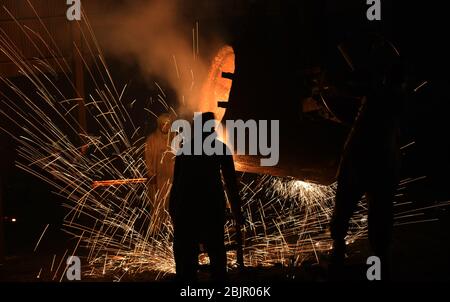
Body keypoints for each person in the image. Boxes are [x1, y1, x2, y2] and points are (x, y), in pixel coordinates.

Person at [329, 33, 404, 280]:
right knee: (371, 220)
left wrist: (337, 86)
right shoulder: (383, 91)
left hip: (365, 162)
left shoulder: (386, 92)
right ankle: (376, 267)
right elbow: (361, 110)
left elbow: (359, 91)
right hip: (380, 163)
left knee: (350, 216)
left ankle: (344, 263)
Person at [169, 112, 243, 282]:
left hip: (186, 209)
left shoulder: (184, 149)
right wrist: (237, 212)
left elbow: (176, 183)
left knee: (187, 259)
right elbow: (231, 184)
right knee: (216, 252)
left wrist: (173, 210)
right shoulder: (221, 148)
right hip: (211, 208)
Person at [145, 113, 175, 201]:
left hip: (171, 178)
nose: (166, 126)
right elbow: (148, 157)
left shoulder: (174, 139)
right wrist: (150, 173)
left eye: (168, 124)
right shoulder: (152, 139)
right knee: (158, 204)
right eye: (163, 123)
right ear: (159, 125)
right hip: (157, 179)